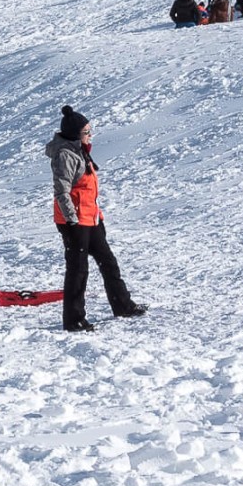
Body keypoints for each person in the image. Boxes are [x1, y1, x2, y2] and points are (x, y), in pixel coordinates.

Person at [47, 105, 147, 332]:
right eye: (86, 131)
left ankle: (123, 305)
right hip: (73, 221)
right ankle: (74, 320)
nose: (90, 135)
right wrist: (71, 218)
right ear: (74, 133)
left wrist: (97, 215)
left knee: (108, 262)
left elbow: (88, 189)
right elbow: (61, 191)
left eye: (90, 130)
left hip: (90, 219)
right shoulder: (65, 155)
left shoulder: (80, 151)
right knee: (78, 270)